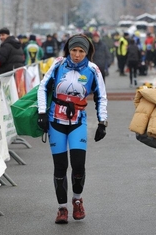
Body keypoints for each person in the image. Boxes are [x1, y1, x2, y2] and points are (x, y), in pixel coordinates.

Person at [37, 34, 108, 224]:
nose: (77, 55)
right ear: (69, 50)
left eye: (81, 51)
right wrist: (42, 112)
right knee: (60, 167)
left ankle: (77, 200)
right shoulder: (58, 64)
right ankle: (62, 209)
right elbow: (42, 87)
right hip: (55, 121)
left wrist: (102, 122)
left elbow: (101, 96)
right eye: (74, 50)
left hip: (78, 121)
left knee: (78, 165)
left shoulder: (93, 70)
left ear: (87, 52)